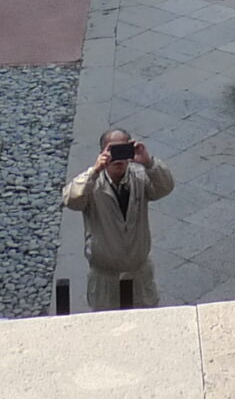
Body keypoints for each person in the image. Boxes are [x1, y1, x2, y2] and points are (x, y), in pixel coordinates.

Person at [62, 127, 175, 309]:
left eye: (123, 150)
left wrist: (149, 163)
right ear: (102, 153)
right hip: (105, 277)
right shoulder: (92, 183)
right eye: (112, 151)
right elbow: (70, 199)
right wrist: (94, 171)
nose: (118, 158)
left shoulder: (140, 178)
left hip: (139, 273)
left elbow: (166, 187)